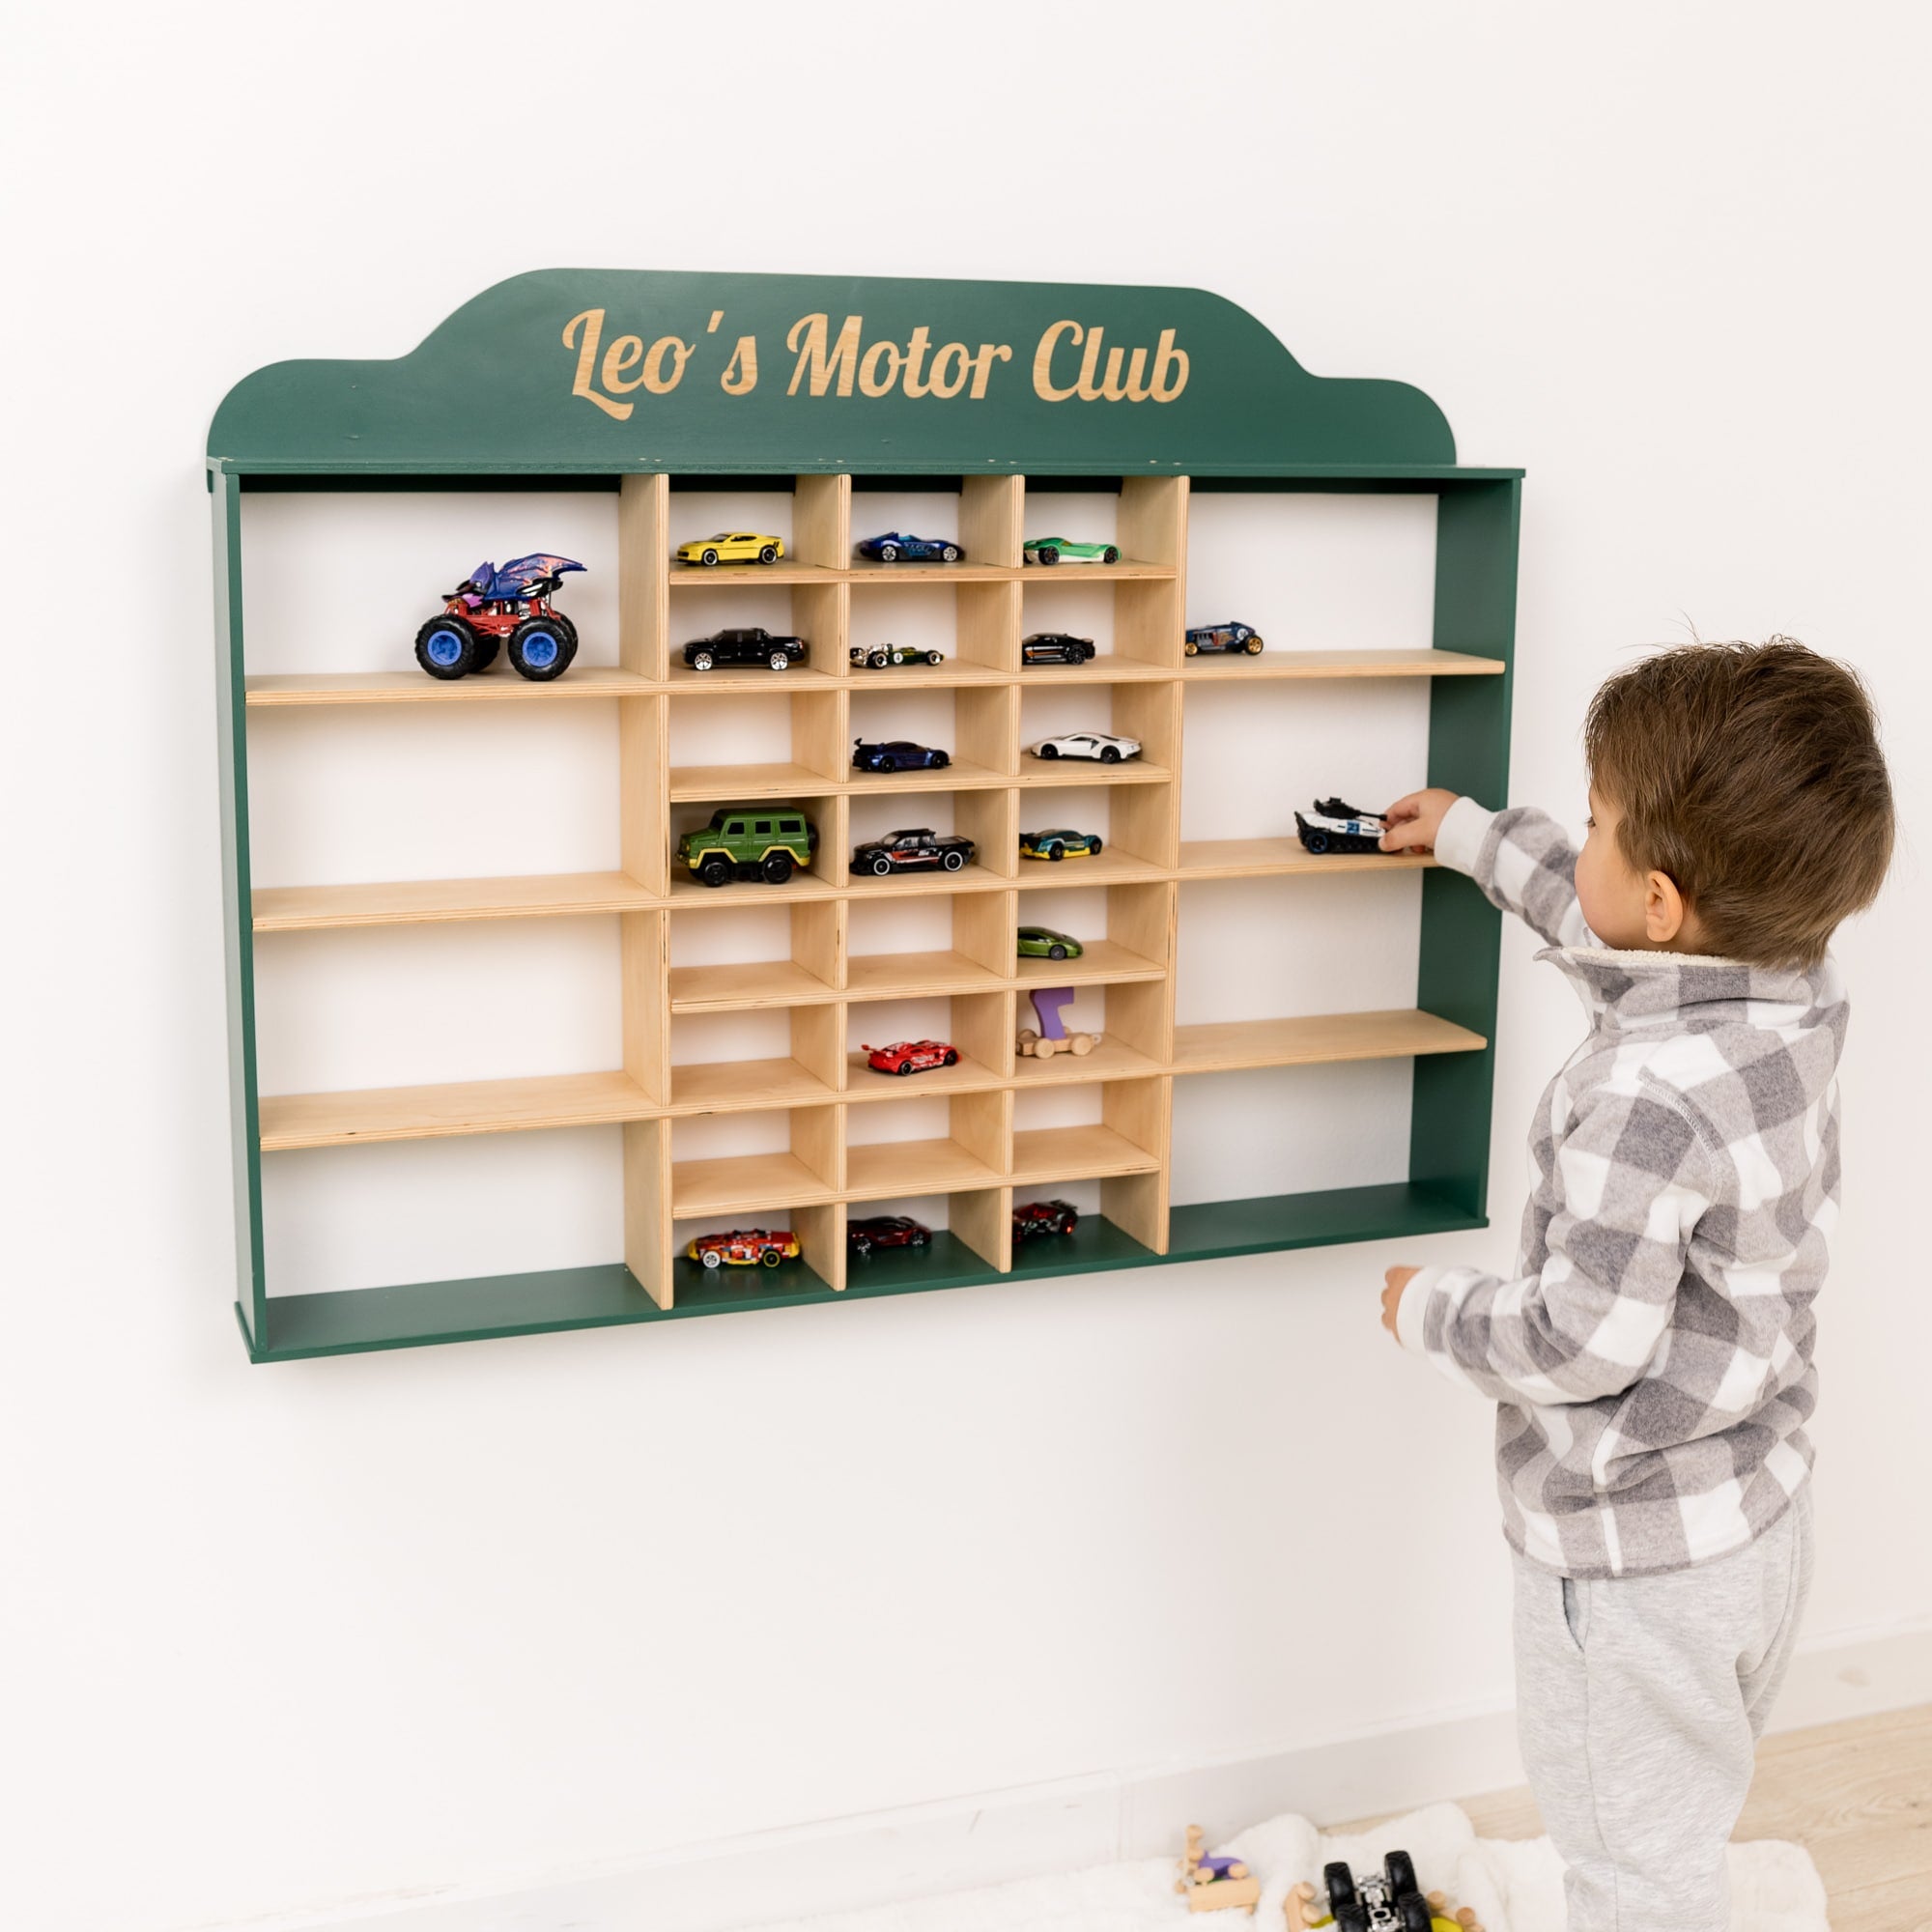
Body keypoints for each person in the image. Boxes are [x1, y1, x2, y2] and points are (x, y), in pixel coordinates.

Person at [1374, 638, 1893, 1932]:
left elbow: (1573, 1343)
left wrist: (1429, 1309)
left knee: (1627, 1865)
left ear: (1661, 897)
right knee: (1675, 1813)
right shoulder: (1789, 996)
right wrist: (1479, 838)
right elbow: (1612, 921)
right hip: (1758, 1522)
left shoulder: (1639, 1102)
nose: (1585, 839)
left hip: (1631, 1566)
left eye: (1595, 820)